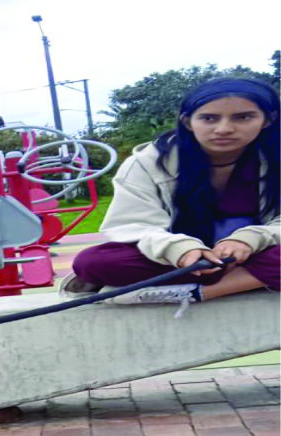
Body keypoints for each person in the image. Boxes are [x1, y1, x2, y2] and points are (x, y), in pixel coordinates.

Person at [62, 77, 279, 311]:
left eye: (243, 117)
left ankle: (200, 292)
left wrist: (249, 239)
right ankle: (253, 279)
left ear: (268, 120)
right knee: (93, 262)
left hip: (252, 254)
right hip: (180, 261)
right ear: (187, 122)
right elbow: (134, 224)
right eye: (209, 118)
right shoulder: (148, 162)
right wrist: (180, 249)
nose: (224, 128)